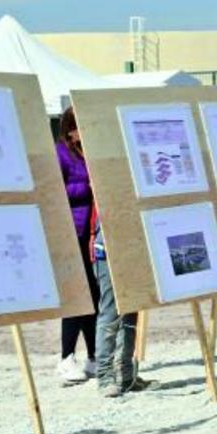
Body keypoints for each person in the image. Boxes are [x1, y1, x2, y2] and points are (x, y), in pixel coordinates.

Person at [56, 106, 102, 384]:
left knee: (93, 295)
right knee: (76, 296)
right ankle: (66, 357)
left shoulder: (88, 150)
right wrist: (87, 187)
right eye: (79, 126)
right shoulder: (61, 153)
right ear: (70, 129)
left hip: (91, 232)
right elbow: (54, 191)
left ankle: (94, 355)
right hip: (72, 231)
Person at [89, 207, 150, 397]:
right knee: (110, 311)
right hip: (108, 242)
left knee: (131, 308)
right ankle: (104, 376)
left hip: (133, 240)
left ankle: (125, 374)